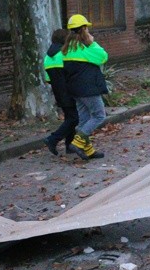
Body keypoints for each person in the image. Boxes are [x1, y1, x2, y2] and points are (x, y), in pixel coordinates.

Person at [62, 14, 108, 160]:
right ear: (83, 29)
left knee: (84, 119)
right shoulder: (84, 49)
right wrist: (92, 43)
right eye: (86, 28)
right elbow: (103, 57)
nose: (88, 30)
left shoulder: (68, 48)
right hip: (88, 90)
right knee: (99, 115)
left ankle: (88, 150)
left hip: (75, 91)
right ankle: (77, 142)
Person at [42, 28, 79, 157]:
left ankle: (70, 145)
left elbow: (48, 79)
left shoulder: (47, 57)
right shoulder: (65, 54)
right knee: (74, 118)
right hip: (69, 90)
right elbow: (72, 73)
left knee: (70, 118)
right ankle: (53, 139)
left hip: (58, 92)